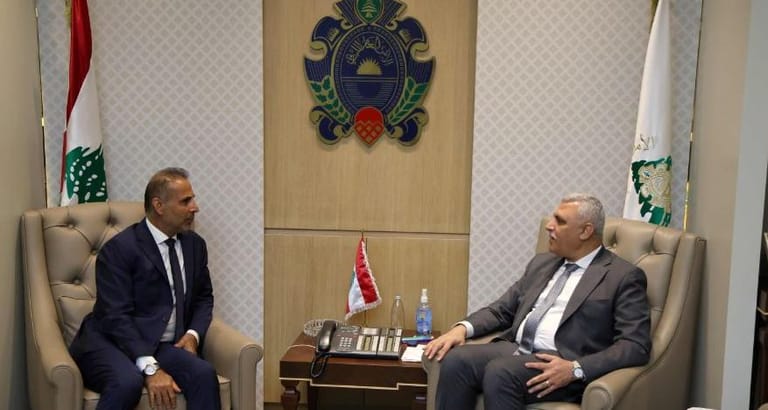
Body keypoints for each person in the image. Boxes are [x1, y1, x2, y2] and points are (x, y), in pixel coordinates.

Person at [424, 193, 651, 409]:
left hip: (564, 363)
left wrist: (576, 368)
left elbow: (634, 345)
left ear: (585, 231)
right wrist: (462, 329)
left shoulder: (622, 276)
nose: (549, 226)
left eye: (559, 221)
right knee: (456, 360)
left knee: (501, 372)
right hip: (518, 350)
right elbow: (502, 310)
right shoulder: (542, 264)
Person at [70, 167, 220, 410]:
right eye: (185, 201)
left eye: (192, 199)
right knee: (127, 383)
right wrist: (151, 369)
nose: (195, 207)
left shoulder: (194, 245)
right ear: (159, 205)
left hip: (161, 343)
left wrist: (193, 335)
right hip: (110, 340)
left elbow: (204, 297)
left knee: (203, 374)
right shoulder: (119, 250)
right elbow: (115, 316)